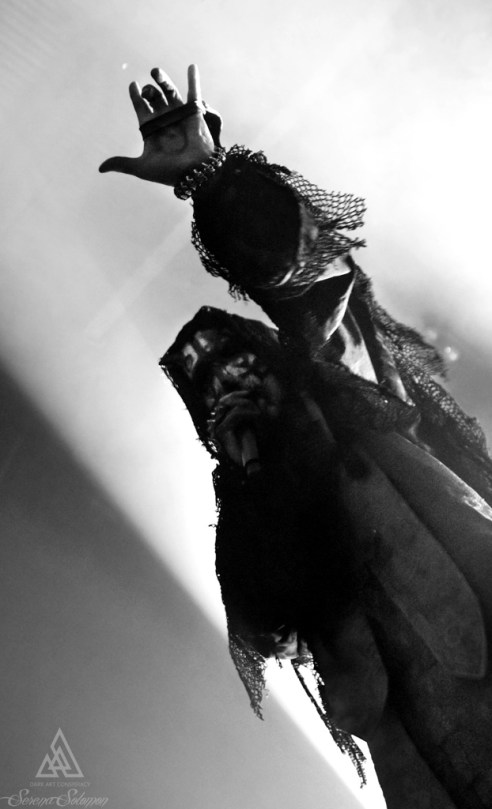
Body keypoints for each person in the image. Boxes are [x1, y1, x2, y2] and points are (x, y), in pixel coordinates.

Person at [101, 66, 492, 807]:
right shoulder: (258, 515)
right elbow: (268, 632)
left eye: (239, 363)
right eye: (209, 386)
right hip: (433, 770)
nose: (229, 387)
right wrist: (250, 481)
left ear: (276, 360)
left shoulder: (353, 404)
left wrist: (212, 177)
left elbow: (309, 275)